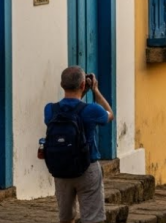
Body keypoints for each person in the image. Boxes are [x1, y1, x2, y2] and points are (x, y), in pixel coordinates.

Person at [43, 67, 114, 223]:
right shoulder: (92, 110)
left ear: (62, 85)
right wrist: (95, 90)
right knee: (93, 219)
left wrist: (82, 90)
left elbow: (71, 108)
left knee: (66, 218)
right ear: (83, 85)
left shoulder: (50, 110)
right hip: (87, 168)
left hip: (61, 170)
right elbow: (110, 114)